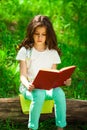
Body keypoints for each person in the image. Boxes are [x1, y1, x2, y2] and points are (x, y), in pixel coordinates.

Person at [16, 15, 71, 130]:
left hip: (47, 89)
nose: (40, 37)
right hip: (29, 88)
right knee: (39, 94)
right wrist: (27, 85)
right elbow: (22, 75)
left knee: (60, 93)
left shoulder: (52, 52)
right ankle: (32, 127)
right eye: (37, 34)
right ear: (31, 33)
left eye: (43, 34)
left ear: (48, 35)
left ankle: (60, 126)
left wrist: (64, 81)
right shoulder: (25, 51)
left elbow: (54, 75)